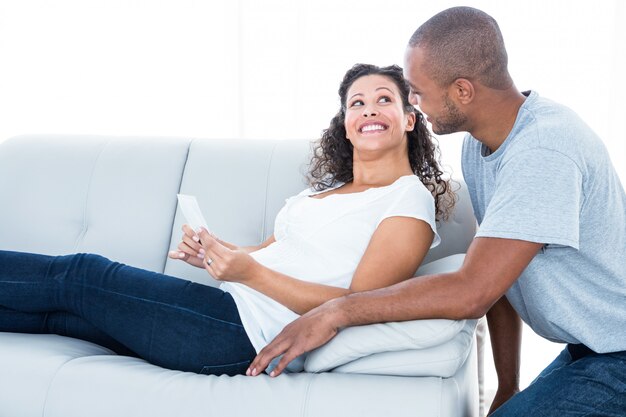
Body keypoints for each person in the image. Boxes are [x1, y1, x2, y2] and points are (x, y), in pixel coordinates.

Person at [248, 6, 626, 416]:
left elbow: (471, 291)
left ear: (462, 91)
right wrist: (507, 385)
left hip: (617, 354)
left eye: (417, 91)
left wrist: (335, 311)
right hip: (589, 349)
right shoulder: (480, 147)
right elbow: (496, 276)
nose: (412, 101)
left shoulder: (544, 150)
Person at [0, 64, 452, 376]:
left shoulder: (407, 199)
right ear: (346, 122)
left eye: (383, 100)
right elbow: (275, 253)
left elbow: (360, 304)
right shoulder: (324, 193)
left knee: (80, 276)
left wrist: (249, 273)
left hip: (242, 334)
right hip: (222, 313)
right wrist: (219, 255)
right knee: (60, 316)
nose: (368, 109)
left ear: (410, 119)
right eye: (357, 103)